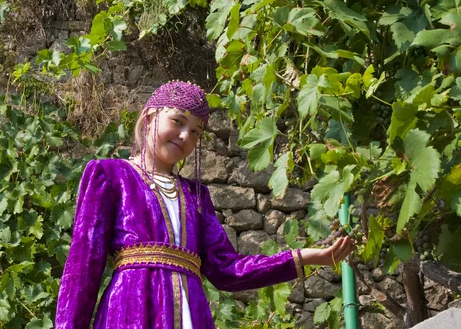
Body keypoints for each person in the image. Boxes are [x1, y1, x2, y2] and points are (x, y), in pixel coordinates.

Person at [55, 81, 355, 328]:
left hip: (192, 314)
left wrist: (304, 258)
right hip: (131, 309)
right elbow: (83, 267)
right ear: (149, 119)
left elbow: (227, 269)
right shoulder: (110, 174)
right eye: (177, 121)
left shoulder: (196, 195)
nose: (186, 135)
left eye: (196, 131)